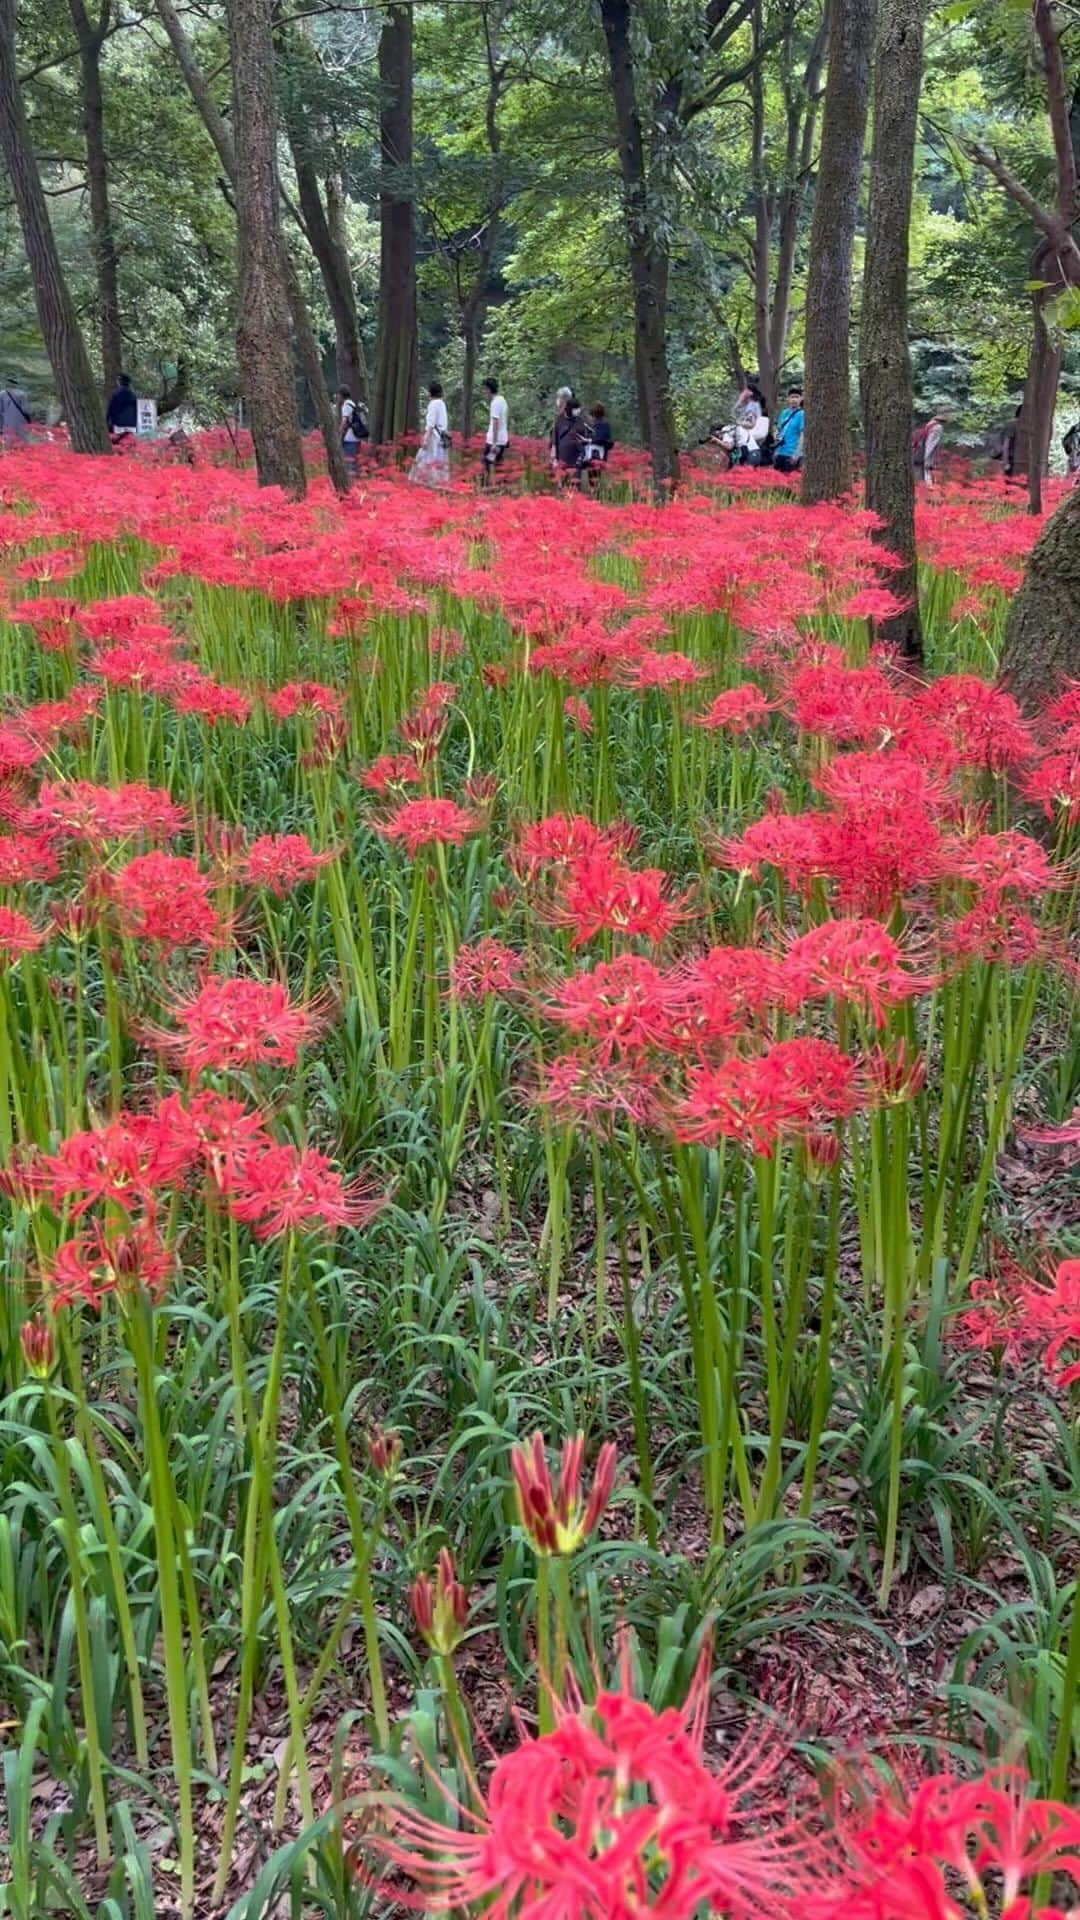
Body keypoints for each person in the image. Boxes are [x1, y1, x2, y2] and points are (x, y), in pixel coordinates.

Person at [411, 381, 451, 486]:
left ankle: (425, 481)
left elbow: (431, 424)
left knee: (427, 458)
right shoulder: (442, 403)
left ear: (431, 393)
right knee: (439, 459)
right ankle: (439, 482)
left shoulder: (433, 404)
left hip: (434, 437)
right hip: (441, 436)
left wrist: (425, 438)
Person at [552, 390, 589, 478]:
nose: (578, 411)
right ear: (569, 409)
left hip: (576, 459)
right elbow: (554, 441)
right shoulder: (559, 420)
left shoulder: (580, 420)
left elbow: (585, 439)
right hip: (562, 458)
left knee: (575, 484)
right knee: (563, 484)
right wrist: (554, 459)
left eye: (578, 408)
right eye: (575, 409)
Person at [481, 376, 508, 483]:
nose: (484, 392)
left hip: (494, 441)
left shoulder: (495, 403)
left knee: (485, 463)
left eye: (484, 389)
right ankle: (501, 488)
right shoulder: (502, 400)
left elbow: (496, 422)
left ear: (488, 389)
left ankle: (484, 487)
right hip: (502, 439)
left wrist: (494, 443)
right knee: (498, 465)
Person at [338, 387, 368, 480]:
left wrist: (338, 432)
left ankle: (351, 483)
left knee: (349, 461)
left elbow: (344, 420)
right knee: (355, 460)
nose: (337, 397)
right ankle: (356, 481)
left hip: (350, 438)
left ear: (341, 395)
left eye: (338, 395)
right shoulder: (353, 404)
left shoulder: (346, 405)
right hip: (357, 437)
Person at [773, 386, 804, 473]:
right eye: (792, 397)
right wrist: (775, 451)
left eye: (797, 397)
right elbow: (779, 431)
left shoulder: (802, 414)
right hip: (780, 452)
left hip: (792, 454)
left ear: (801, 398)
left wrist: (797, 454)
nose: (794, 399)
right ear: (788, 399)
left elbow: (803, 435)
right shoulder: (784, 413)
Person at [912, 414, 943, 486]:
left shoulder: (927, 426)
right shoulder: (937, 427)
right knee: (926, 472)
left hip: (918, 453)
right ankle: (928, 487)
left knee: (920, 471)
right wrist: (927, 458)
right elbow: (930, 445)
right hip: (924, 455)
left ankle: (921, 486)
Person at [107, 372, 138, 441]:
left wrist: (107, 421)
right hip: (131, 424)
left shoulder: (116, 393)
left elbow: (111, 409)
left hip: (119, 424)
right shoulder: (133, 395)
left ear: (119, 381)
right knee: (128, 444)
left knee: (117, 443)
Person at [0, 381, 31, 446]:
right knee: (22, 436)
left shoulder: (2, 394)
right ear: (16, 385)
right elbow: (25, 410)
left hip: (7, 420)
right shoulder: (21, 394)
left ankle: (9, 451)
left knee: (9, 436)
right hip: (20, 419)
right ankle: (23, 451)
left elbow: (1, 409)